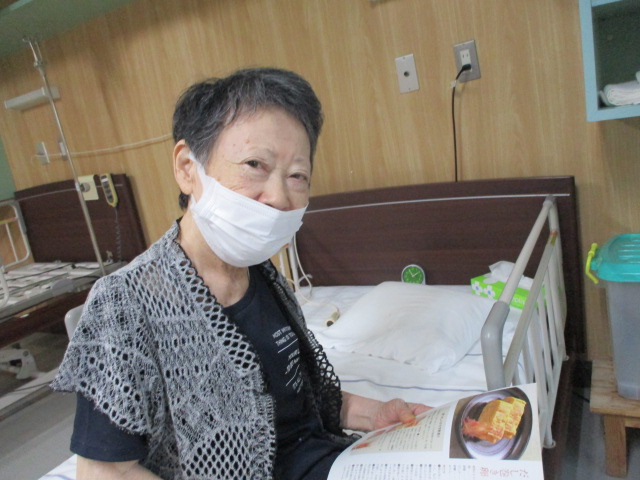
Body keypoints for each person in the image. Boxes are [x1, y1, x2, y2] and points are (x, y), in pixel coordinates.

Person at [52, 67, 430, 480]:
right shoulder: (125, 304)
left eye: (297, 175)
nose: (279, 197)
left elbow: (303, 402)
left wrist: (375, 413)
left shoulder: (265, 277)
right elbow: (102, 471)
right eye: (254, 164)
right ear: (187, 167)